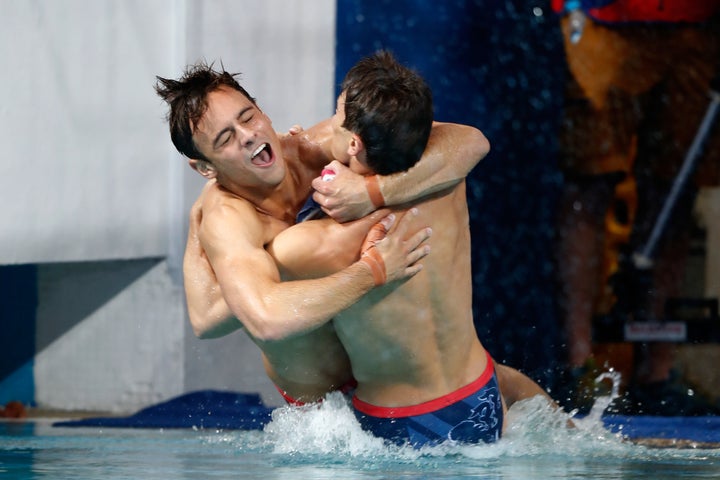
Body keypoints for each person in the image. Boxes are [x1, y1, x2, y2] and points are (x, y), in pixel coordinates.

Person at [188, 51, 557, 447]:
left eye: (337, 116)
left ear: (353, 141)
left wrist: (370, 223)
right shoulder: (444, 177)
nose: (322, 129)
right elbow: (473, 140)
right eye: (227, 136)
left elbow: (250, 312)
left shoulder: (304, 243)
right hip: (478, 387)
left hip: (392, 418)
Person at [155, 59, 489, 404]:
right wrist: (370, 272)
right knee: (288, 256)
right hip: (322, 405)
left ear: (263, 113)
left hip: (376, 373)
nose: (248, 135)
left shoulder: (308, 149)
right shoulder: (228, 219)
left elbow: (470, 143)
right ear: (205, 168)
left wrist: (371, 193)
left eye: (248, 117)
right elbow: (216, 319)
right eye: (226, 138)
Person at [552, 0, 720, 414]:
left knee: (676, 192)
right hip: (600, 18)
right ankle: (576, 368)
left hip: (695, 23)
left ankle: (656, 375)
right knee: (588, 186)